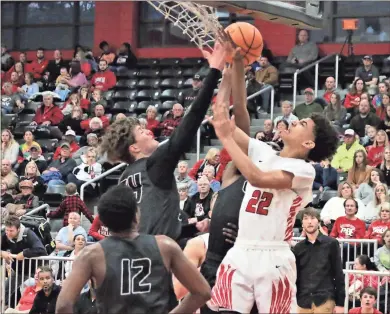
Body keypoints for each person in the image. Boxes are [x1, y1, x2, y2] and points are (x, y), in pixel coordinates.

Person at [207, 57, 339, 313]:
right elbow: (224, 115)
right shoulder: (263, 151)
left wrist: (226, 138)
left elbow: (258, 178)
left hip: (274, 256)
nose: (292, 122)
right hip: (241, 249)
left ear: (309, 144)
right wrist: (229, 70)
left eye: (302, 124)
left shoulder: (304, 171)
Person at [99, 40, 228, 240]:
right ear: (134, 147)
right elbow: (190, 122)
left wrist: (191, 227)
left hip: (136, 251)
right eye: (141, 131)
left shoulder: (124, 179)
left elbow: (154, 219)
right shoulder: (154, 164)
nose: (149, 131)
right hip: (158, 254)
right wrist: (214, 72)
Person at [55, 185, 211, 314]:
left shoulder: (91, 255)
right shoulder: (165, 245)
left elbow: (63, 305)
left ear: (104, 221)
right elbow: (202, 292)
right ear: (136, 215)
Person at [293, 208, 345, 314]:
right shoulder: (298, 248)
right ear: (302, 224)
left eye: (313, 218)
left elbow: (338, 274)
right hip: (303, 302)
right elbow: (295, 276)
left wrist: (340, 303)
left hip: (325, 299)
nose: (309, 221)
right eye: (306, 219)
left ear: (318, 221)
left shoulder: (331, 243)